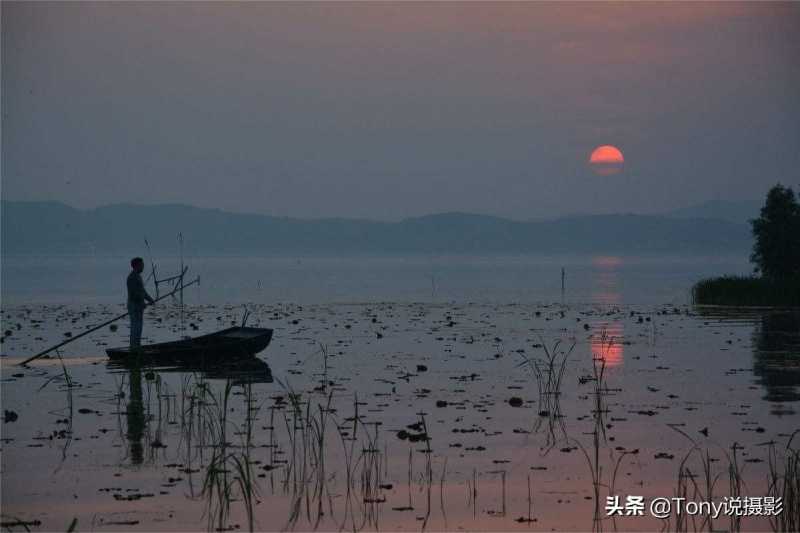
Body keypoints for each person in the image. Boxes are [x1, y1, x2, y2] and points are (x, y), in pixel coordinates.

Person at [127, 257, 155, 349]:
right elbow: (133, 294)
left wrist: (150, 299)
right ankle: (134, 347)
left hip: (138, 306)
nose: (143, 267)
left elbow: (142, 291)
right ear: (137, 266)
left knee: (139, 328)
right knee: (135, 328)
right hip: (134, 306)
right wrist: (141, 302)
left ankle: (137, 347)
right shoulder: (132, 277)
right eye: (142, 265)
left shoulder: (138, 276)